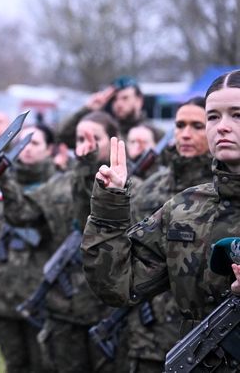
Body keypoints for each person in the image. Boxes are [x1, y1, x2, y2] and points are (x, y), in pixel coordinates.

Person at [82, 70, 240, 372]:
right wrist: (110, 203)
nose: (222, 127)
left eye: (237, 115)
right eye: (213, 117)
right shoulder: (184, 207)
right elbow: (117, 284)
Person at [0, 111, 123, 373]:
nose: (85, 145)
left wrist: (90, 172)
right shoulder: (59, 185)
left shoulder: (131, 189)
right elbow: (21, 214)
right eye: (80, 138)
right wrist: (3, 176)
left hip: (110, 311)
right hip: (64, 310)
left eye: (94, 138)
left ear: (113, 142)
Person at [123, 97, 212, 373]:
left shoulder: (223, 191)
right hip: (149, 338)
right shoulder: (149, 188)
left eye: (197, 125)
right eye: (180, 125)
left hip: (208, 340)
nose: (186, 134)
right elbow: (131, 256)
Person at [0, 124, 58, 373]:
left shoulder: (57, 185)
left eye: (34, 144)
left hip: (41, 296)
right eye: (22, 144)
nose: (26, 150)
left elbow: (23, 213)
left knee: (43, 365)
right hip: (1, 294)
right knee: (14, 364)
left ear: (50, 149)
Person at [58, 76, 162, 148]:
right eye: (115, 99)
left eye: (125, 98)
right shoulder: (105, 131)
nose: (119, 104)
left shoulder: (154, 134)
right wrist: (88, 109)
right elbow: (63, 137)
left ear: (139, 101)